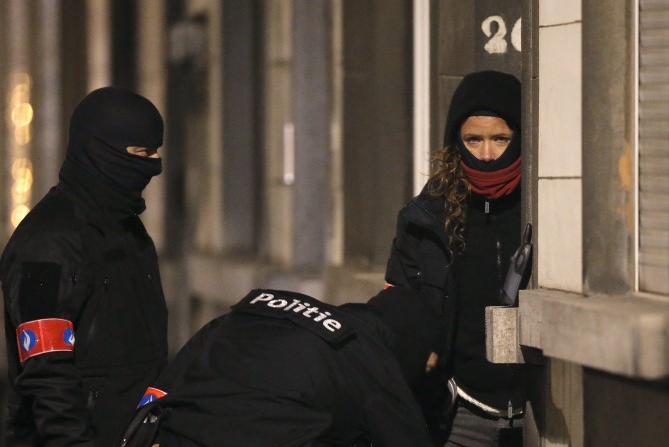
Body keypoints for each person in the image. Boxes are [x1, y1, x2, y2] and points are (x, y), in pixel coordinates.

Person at [0, 86, 169, 446]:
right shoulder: (46, 243)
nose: (153, 165)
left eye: (156, 151)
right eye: (141, 153)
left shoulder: (128, 230)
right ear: (102, 151)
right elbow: (46, 372)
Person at [385, 70, 526, 446]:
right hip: (460, 413)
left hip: (543, 415)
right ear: (456, 142)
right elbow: (397, 304)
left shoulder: (547, 206)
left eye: (500, 138)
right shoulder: (425, 219)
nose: (486, 153)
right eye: (473, 139)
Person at [120, 286, 443, 447]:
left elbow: (164, 386)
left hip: (184, 434)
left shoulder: (260, 312)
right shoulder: (372, 356)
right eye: (424, 366)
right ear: (411, 344)